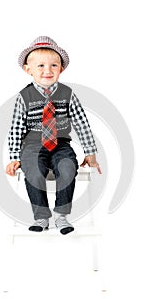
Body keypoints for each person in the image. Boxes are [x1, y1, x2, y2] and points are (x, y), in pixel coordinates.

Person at [6, 36, 102, 235]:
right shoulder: (24, 97)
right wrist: (14, 157)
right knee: (33, 169)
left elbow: (82, 123)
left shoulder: (68, 94)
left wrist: (90, 152)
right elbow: (16, 128)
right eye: (40, 65)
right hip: (32, 145)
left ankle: (61, 215)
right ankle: (41, 216)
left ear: (61, 69)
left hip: (60, 144)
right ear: (28, 70)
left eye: (53, 65)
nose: (47, 71)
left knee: (68, 167)